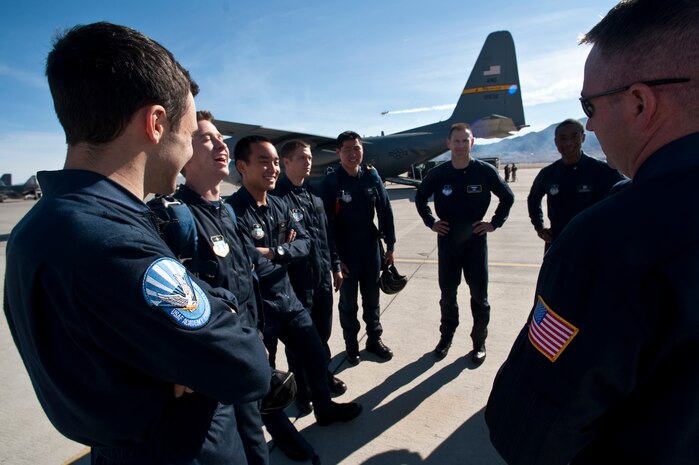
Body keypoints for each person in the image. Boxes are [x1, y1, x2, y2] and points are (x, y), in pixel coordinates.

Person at [3, 23, 270, 465]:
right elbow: (246, 366)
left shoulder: (39, 228)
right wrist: (220, 319)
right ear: (156, 123)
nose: (188, 151)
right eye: (187, 133)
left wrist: (190, 343)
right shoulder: (110, 239)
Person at [486, 1, 699, 463]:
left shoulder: (610, 241)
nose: (588, 124)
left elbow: (528, 429)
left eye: (590, 105)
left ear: (641, 104)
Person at [148, 110, 274, 465]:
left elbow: (244, 281)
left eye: (222, 137)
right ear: (185, 155)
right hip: (206, 369)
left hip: (242, 349)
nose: (222, 144)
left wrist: (255, 337)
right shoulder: (170, 218)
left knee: (254, 441)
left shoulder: (228, 212)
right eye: (207, 138)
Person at [229, 135, 363, 427]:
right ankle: (278, 428)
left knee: (316, 352)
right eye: (264, 161)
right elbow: (247, 261)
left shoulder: (279, 206)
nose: (273, 168)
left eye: (275, 162)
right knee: (266, 371)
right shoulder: (232, 212)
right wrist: (281, 254)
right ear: (242, 166)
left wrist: (275, 251)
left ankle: (324, 407)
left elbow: (305, 244)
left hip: (287, 299)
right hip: (260, 308)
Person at [415, 123, 514, 364]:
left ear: (472, 143)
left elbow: (507, 196)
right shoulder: (439, 174)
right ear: (448, 144)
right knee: (448, 295)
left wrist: (493, 223)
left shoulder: (484, 171)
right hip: (448, 242)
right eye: (456, 141)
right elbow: (420, 198)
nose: (460, 145)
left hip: (475, 243)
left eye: (465, 140)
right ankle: (446, 337)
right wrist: (431, 222)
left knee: (479, 296)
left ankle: (479, 341)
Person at [272, 139, 347, 414]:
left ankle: (321, 379)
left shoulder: (314, 195)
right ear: (286, 162)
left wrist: (335, 266)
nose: (309, 162)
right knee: (299, 343)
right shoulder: (276, 200)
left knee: (322, 336)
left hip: (322, 281)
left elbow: (328, 237)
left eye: (309, 158)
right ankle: (301, 391)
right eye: (302, 158)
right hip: (296, 285)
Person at [320, 131, 396, 365]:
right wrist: (335, 260)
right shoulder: (331, 183)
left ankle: (374, 339)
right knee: (348, 303)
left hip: (371, 248)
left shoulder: (372, 177)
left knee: (372, 298)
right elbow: (326, 226)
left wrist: (390, 246)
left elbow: (385, 211)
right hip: (346, 252)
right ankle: (351, 345)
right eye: (348, 149)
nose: (354, 154)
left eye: (357, 148)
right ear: (338, 152)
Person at [527, 118, 624, 251]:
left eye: (574, 137)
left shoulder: (602, 171)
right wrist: (539, 227)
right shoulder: (548, 173)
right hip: (558, 243)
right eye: (563, 138)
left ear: (583, 138)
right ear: (556, 142)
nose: (568, 143)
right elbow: (533, 198)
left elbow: (627, 194)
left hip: (594, 245)